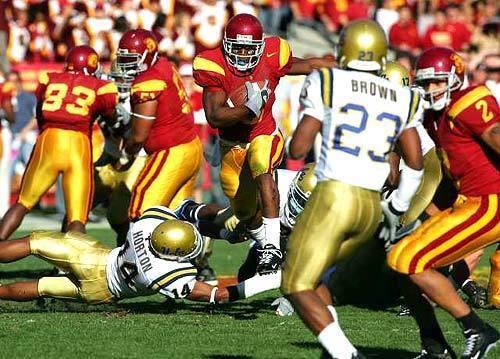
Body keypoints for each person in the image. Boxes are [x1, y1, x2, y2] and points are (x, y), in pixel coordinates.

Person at [280, 20, 424, 359]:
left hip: (336, 196)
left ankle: (347, 355)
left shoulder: (328, 80)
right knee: (315, 280)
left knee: (294, 284)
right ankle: (334, 351)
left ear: (344, 48)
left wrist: (292, 143)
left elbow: (298, 150)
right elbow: (415, 165)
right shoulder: (402, 95)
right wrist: (397, 207)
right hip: (371, 207)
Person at [192, 13, 334, 274]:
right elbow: (214, 116)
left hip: (264, 133)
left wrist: (349, 68)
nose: (244, 54)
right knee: (246, 214)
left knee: (261, 165)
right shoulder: (213, 63)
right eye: (238, 47)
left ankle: (271, 248)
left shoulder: (273, 54)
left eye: (249, 48)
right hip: (231, 148)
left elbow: (309, 65)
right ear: (226, 44)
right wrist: (248, 110)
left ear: (260, 46)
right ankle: (266, 245)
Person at [388, 47, 499, 359]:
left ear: (454, 78)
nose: (431, 90)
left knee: (409, 260)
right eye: (425, 84)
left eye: (437, 82)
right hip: (468, 202)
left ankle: (478, 329)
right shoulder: (433, 115)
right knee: (399, 260)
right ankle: (435, 346)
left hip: (490, 202)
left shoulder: (469, 102)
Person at [0, 45, 118, 239]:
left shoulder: (50, 78)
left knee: (23, 203)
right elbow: (112, 118)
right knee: (77, 217)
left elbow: (40, 112)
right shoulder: (101, 87)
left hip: (50, 140)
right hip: (77, 144)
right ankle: (71, 266)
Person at [0, 207, 228, 305]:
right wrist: (263, 281)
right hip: (100, 292)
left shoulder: (144, 226)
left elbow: (186, 211)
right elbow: (217, 295)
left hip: (92, 258)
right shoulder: (163, 273)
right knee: (43, 286)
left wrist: (223, 229)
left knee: (33, 243)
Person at [116, 29, 203, 222]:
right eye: (123, 59)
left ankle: (138, 252)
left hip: (171, 151)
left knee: (141, 210)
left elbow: (139, 136)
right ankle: (220, 230)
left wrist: (126, 153)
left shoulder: (148, 82)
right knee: (179, 215)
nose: (125, 65)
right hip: (190, 146)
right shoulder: (164, 65)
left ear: (148, 54)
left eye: (132, 59)